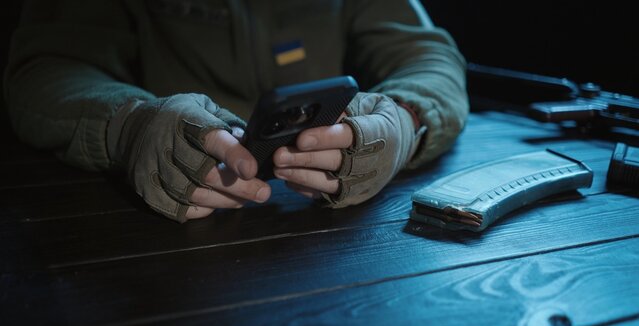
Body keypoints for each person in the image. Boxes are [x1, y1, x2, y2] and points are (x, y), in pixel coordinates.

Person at [4, 0, 468, 222]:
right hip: (154, 234)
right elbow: (45, 69)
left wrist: (403, 119)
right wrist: (131, 124)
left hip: (324, 234)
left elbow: (427, 58)